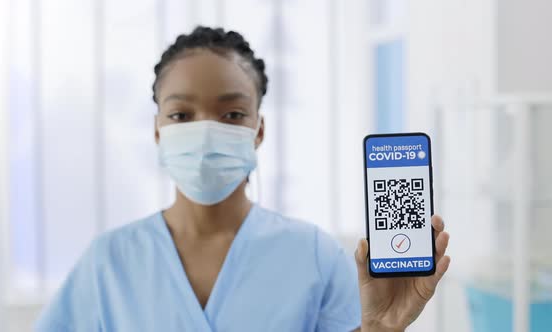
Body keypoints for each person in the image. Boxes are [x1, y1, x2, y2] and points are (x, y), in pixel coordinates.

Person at [35, 26, 450, 332]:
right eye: (181, 115)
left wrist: (377, 328)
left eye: (232, 114)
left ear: (259, 130)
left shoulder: (315, 256)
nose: (205, 130)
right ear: (158, 130)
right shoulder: (108, 262)